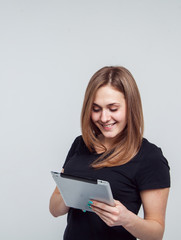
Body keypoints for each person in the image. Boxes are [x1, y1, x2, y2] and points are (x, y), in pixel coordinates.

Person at [49, 66, 170, 240]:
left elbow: (156, 233)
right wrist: (70, 191)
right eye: (96, 109)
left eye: (113, 109)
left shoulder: (150, 157)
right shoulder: (80, 144)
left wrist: (126, 219)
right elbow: (54, 209)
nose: (104, 118)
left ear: (131, 106)